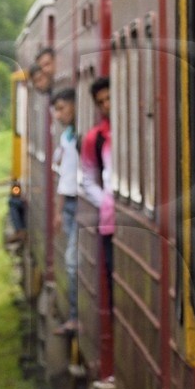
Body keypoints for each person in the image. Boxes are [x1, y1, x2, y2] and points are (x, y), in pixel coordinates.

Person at [80, 73, 115, 310]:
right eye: (101, 102)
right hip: (109, 222)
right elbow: (87, 179)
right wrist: (105, 202)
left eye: (110, 99)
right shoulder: (95, 138)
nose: (106, 106)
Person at [53, 87, 79, 309]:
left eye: (62, 109)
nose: (59, 115)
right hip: (69, 203)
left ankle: (74, 315)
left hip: (80, 203)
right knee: (73, 261)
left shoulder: (82, 137)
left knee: (72, 261)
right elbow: (64, 177)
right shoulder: (67, 137)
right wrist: (59, 211)